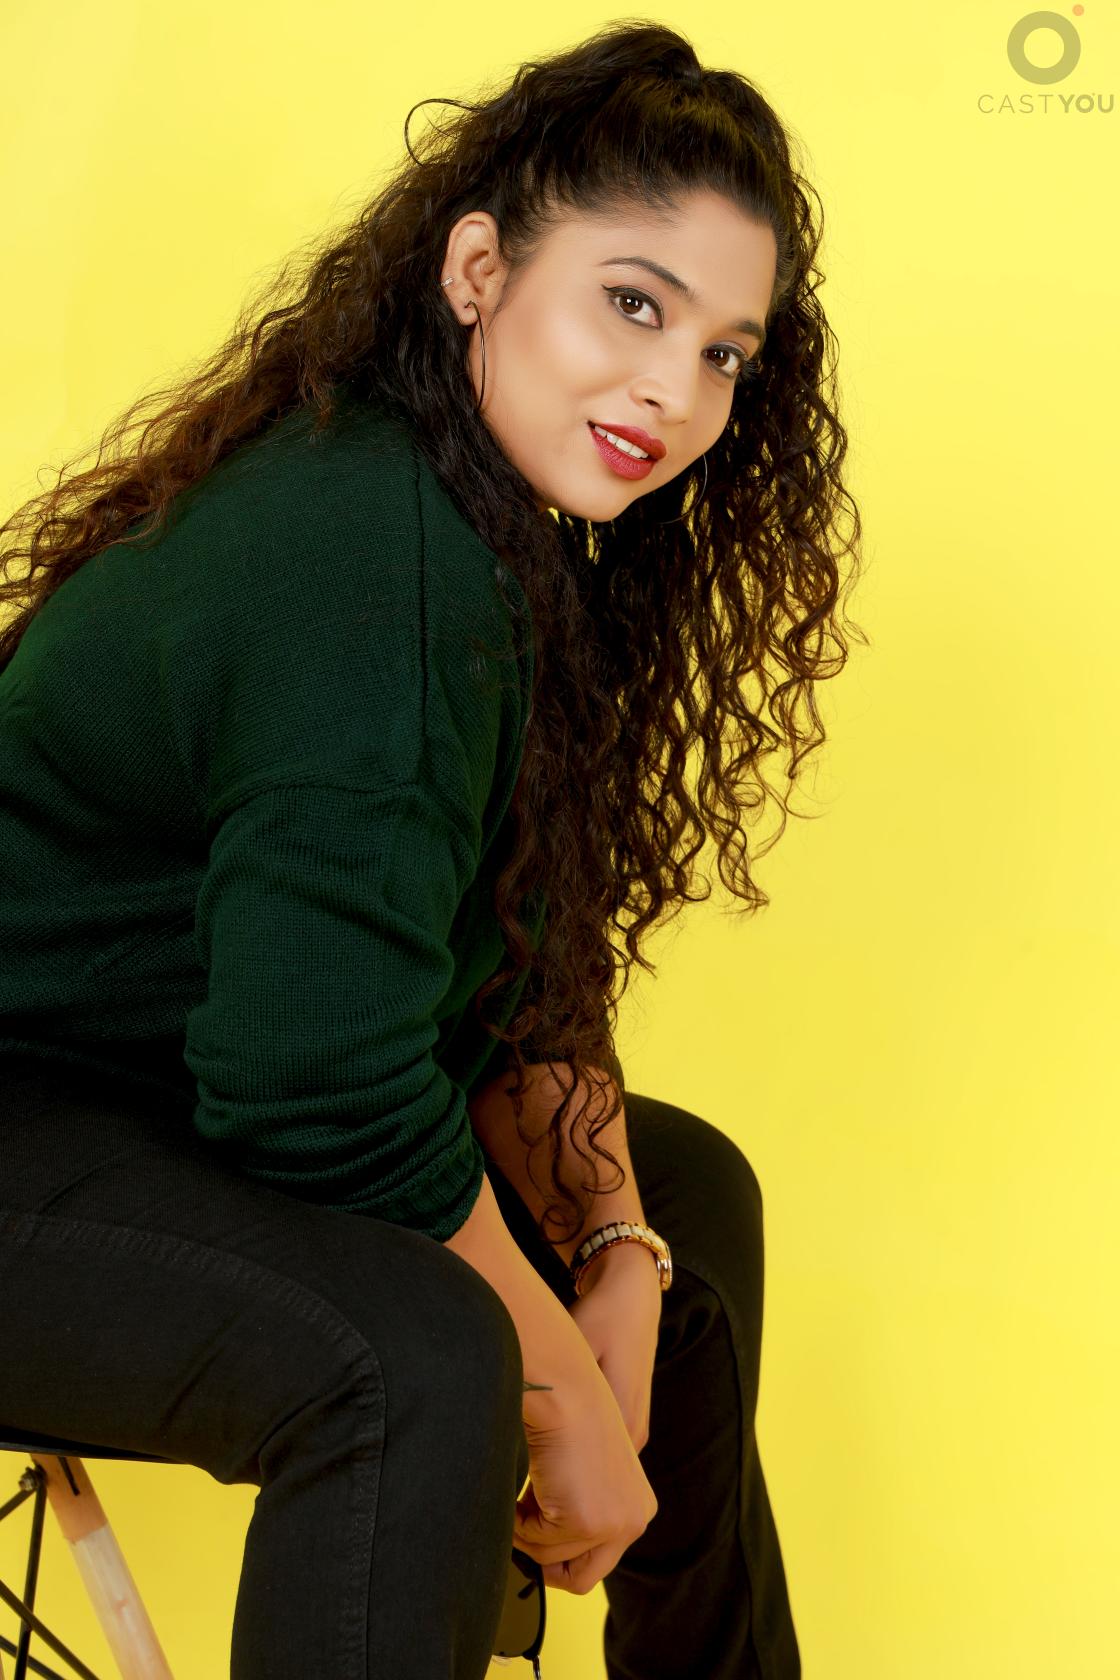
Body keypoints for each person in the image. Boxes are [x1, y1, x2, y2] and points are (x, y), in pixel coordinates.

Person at [0, 20, 864, 1679]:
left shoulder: (489, 536)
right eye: (633, 304)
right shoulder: (369, 558)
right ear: (479, 270)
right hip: (28, 1126)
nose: (675, 393)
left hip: (154, 1099)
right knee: (415, 1357)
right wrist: (564, 1394)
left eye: (724, 355)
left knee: (688, 1198)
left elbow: (516, 978)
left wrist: (618, 1263)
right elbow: (317, 1083)